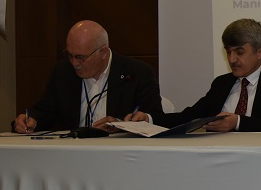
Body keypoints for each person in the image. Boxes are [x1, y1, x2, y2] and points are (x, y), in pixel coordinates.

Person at [128, 18, 261, 132]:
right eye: (228, 52)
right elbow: (189, 117)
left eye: (239, 52)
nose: (232, 59)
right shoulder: (222, 83)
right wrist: (149, 119)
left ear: (260, 52)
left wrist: (237, 122)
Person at [12, 20, 162, 133]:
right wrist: (32, 120)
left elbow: (156, 118)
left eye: (80, 57)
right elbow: (46, 111)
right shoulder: (63, 71)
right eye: (69, 55)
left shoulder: (137, 73)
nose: (74, 63)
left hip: (120, 155)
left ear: (103, 53)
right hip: (73, 153)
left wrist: (120, 124)